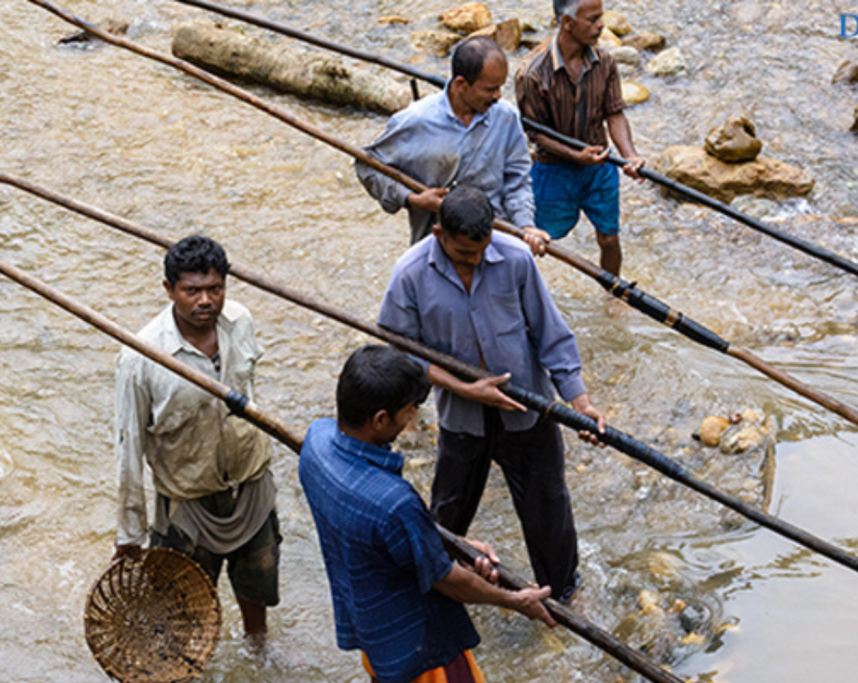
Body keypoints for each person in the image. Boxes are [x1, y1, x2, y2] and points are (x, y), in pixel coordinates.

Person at [377, 185, 606, 604]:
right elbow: (400, 352)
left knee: (549, 514)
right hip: (462, 419)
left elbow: (550, 333)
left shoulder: (515, 258)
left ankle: (564, 598)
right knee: (446, 516)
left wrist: (580, 401)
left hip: (527, 410)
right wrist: (465, 388)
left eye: (482, 251)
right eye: (465, 254)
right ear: (438, 234)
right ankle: (437, 590)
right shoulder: (409, 273)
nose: (476, 261)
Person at [300, 344, 555, 683]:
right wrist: (513, 600)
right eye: (409, 411)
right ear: (380, 419)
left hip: (375, 632)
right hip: (421, 648)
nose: (412, 419)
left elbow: (389, 537)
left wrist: (445, 543)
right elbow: (445, 579)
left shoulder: (316, 440)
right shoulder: (394, 503)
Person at [114, 235, 279, 644]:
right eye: (192, 291)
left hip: (249, 486)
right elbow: (129, 447)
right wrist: (130, 535)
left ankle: (258, 653)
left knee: (256, 590)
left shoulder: (240, 321)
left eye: (214, 289)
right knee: (179, 614)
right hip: (187, 500)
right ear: (169, 290)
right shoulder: (141, 356)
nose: (205, 300)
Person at [356, 35, 547, 250]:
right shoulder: (416, 121)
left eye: (501, 87)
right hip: (437, 244)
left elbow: (517, 181)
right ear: (461, 84)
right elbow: (368, 166)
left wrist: (525, 226)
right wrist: (411, 198)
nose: (498, 96)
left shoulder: (506, 117)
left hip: (495, 242)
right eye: (490, 89)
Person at [515, 0, 646, 276]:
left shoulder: (605, 62)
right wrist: (575, 155)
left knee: (609, 237)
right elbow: (535, 132)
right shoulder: (532, 74)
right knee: (535, 239)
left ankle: (613, 294)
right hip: (553, 169)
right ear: (567, 23)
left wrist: (629, 155)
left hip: (600, 166)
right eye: (593, 19)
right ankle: (518, 290)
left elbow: (615, 114)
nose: (601, 26)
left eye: (601, 17)